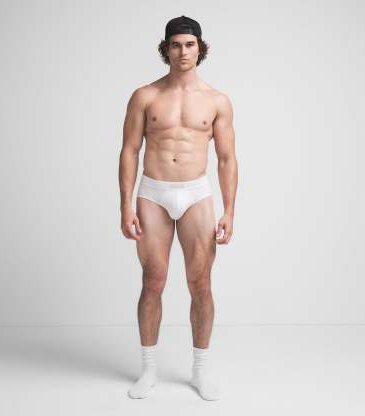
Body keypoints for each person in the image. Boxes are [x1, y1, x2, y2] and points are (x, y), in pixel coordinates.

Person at [118, 15, 238, 400]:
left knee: (200, 283)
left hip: (196, 194)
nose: (183, 51)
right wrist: (125, 206)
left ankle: (200, 371)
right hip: (153, 192)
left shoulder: (217, 101)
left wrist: (229, 210)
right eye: (176, 44)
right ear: (165, 49)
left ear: (200, 49)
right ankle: (148, 370)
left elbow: (226, 158)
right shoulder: (145, 96)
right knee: (153, 280)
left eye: (189, 44)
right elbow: (130, 151)